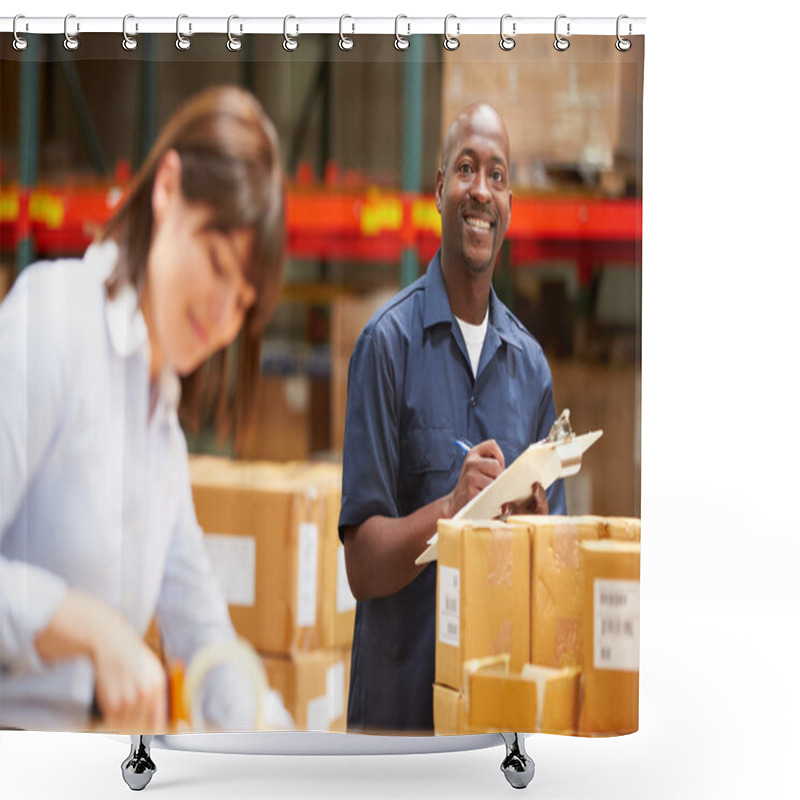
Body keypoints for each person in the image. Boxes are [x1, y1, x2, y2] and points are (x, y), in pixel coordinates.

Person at [0, 86, 287, 733]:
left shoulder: (159, 422)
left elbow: (201, 628)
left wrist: (285, 743)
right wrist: (90, 627)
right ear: (167, 190)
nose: (221, 316)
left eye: (242, 303)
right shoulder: (53, 323)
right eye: (216, 263)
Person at [339, 103, 567, 733]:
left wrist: (534, 532)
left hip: (491, 726)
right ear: (440, 188)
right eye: (467, 169)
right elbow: (361, 567)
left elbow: (551, 579)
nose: (481, 191)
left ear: (509, 206)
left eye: (496, 176)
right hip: (397, 731)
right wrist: (452, 511)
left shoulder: (531, 371)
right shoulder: (385, 347)